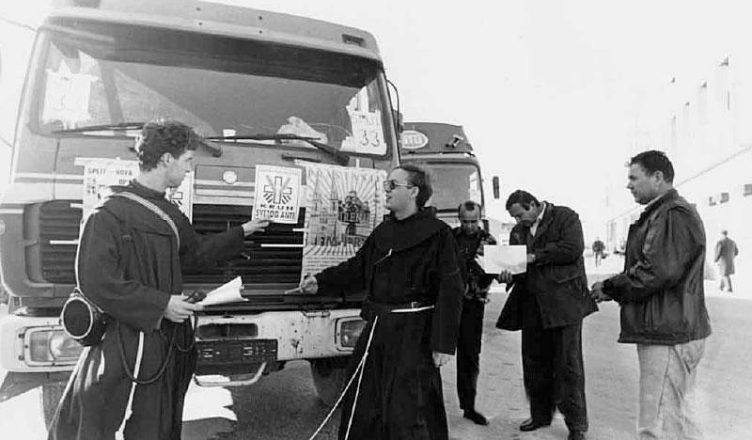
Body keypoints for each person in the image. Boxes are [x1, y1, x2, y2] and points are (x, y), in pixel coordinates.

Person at [49, 120, 270, 440]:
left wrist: (241, 232)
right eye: (187, 160)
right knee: (102, 426)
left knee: (157, 427)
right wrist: (162, 304)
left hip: (165, 344)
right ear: (166, 159)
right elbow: (96, 282)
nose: (190, 169)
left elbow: (194, 254)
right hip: (123, 346)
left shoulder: (168, 211)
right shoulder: (108, 214)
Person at [299, 164, 464, 440]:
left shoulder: (438, 234)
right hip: (378, 330)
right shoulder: (383, 231)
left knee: (408, 409)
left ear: (413, 191)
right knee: (366, 404)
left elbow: (452, 289)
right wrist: (321, 281)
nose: (385, 190)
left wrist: (443, 344)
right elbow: (358, 268)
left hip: (415, 335)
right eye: (386, 185)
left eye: (392, 185)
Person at [591, 150, 711, 440]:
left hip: (667, 332)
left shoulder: (671, 214)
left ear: (658, 177)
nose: (628, 185)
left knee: (657, 423)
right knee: (676, 418)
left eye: (634, 178)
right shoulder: (667, 213)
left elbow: (656, 271)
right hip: (673, 328)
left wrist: (610, 287)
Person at [498, 190, 596, 440]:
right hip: (532, 305)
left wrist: (534, 256)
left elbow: (572, 249)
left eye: (520, 215)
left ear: (532, 204)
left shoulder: (565, 217)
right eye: (514, 217)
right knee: (534, 364)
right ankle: (540, 415)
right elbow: (518, 265)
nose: (518, 221)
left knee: (568, 366)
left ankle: (577, 425)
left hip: (564, 305)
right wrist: (507, 274)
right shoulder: (518, 231)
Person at [452, 201, 498, 426]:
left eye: (473, 221)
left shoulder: (489, 241)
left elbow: (495, 270)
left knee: (469, 356)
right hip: (449, 304)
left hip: (473, 305)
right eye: (465, 221)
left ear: (480, 219)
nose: (469, 226)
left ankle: (468, 406)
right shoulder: (450, 238)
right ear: (459, 219)